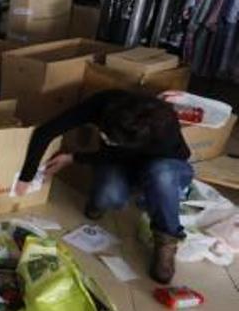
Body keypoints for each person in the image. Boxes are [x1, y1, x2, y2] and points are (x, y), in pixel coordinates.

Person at [15, 89, 192, 284]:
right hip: (119, 160)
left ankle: (166, 242)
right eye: (105, 136)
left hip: (165, 167)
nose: (105, 139)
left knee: (161, 175)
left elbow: (177, 158)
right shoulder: (104, 104)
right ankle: (113, 197)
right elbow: (45, 131)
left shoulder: (162, 125)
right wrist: (26, 177)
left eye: (110, 140)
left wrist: (77, 158)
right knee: (109, 196)